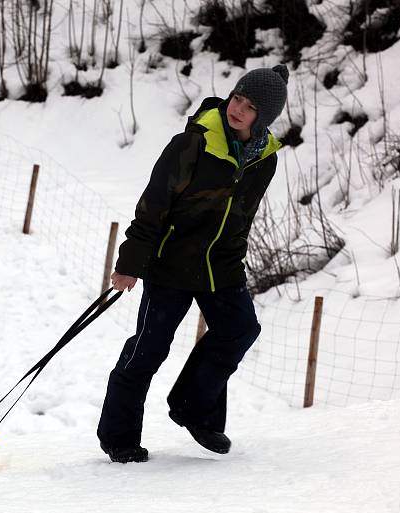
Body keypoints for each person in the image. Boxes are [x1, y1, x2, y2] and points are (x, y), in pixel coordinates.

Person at [98, 65, 289, 463]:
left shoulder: (263, 160)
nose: (238, 109)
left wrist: (235, 266)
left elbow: (242, 219)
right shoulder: (193, 143)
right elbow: (153, 205)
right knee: (148, 350)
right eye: (237, 98)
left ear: (264, 118)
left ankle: (193, 408)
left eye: (250, 106)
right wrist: (131, 262)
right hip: (171, 263)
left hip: (220, 267)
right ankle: (119, 437)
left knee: (240, 329)